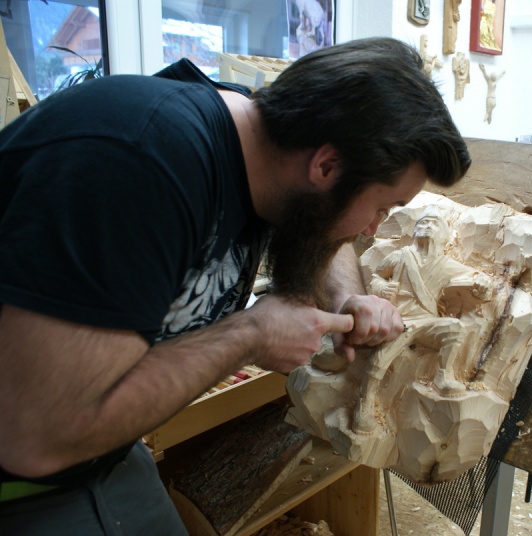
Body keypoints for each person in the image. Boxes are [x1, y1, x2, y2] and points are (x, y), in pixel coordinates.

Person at [0, 37, 470, 533]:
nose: (373, 228)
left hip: (101, 451)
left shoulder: (266, 142)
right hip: (28, 468)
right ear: (326, 166)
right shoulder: (141, 167)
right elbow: (35, 438)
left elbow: (321, 225)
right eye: (382, 208)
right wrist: (250, 335)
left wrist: (348, 296)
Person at [353, 207, 491, 433]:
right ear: (415, 230)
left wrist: (483, 283)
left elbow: (478, 278)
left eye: (434, 224)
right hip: (398, 320)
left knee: (454, 328)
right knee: (379, 361)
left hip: (427, 322)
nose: (427, 226)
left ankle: (443, 376)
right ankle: (364, 406)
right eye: (423, 222)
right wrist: (381, 287)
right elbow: (377, 276)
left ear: (444, 236)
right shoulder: (400, 256)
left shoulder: (447, 264)